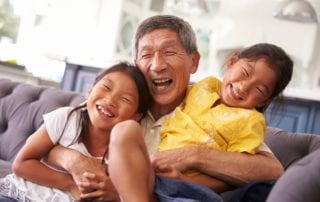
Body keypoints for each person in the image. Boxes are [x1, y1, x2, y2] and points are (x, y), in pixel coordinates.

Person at [46, 15, 286, 201]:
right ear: (136, 63)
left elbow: (271, 170)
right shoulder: (120, 99)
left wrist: (192, 156)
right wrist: (75, 161)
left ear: (194, 62)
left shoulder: (211, 107)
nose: (157, 65)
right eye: (146, 55)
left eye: (169, 52)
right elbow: (57, 137)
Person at [105, 43, 293, 202]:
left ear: (264, 101)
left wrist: (186, 179)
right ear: (232, 62)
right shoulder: (204, 86)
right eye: (244, 72)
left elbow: (233, 177)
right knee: (125, 132)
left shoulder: (250, 121)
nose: (244, 87)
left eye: (259, 90)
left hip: (189, 189)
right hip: (155, 176)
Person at [0, 62, 153, 201]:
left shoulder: (128, 152)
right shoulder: (66, 118)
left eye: (125, 99)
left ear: (136, 116)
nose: (110, 100)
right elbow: (21, 164)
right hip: (21, 194)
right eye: (106, 87)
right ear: (90, 90)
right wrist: (70, 183)